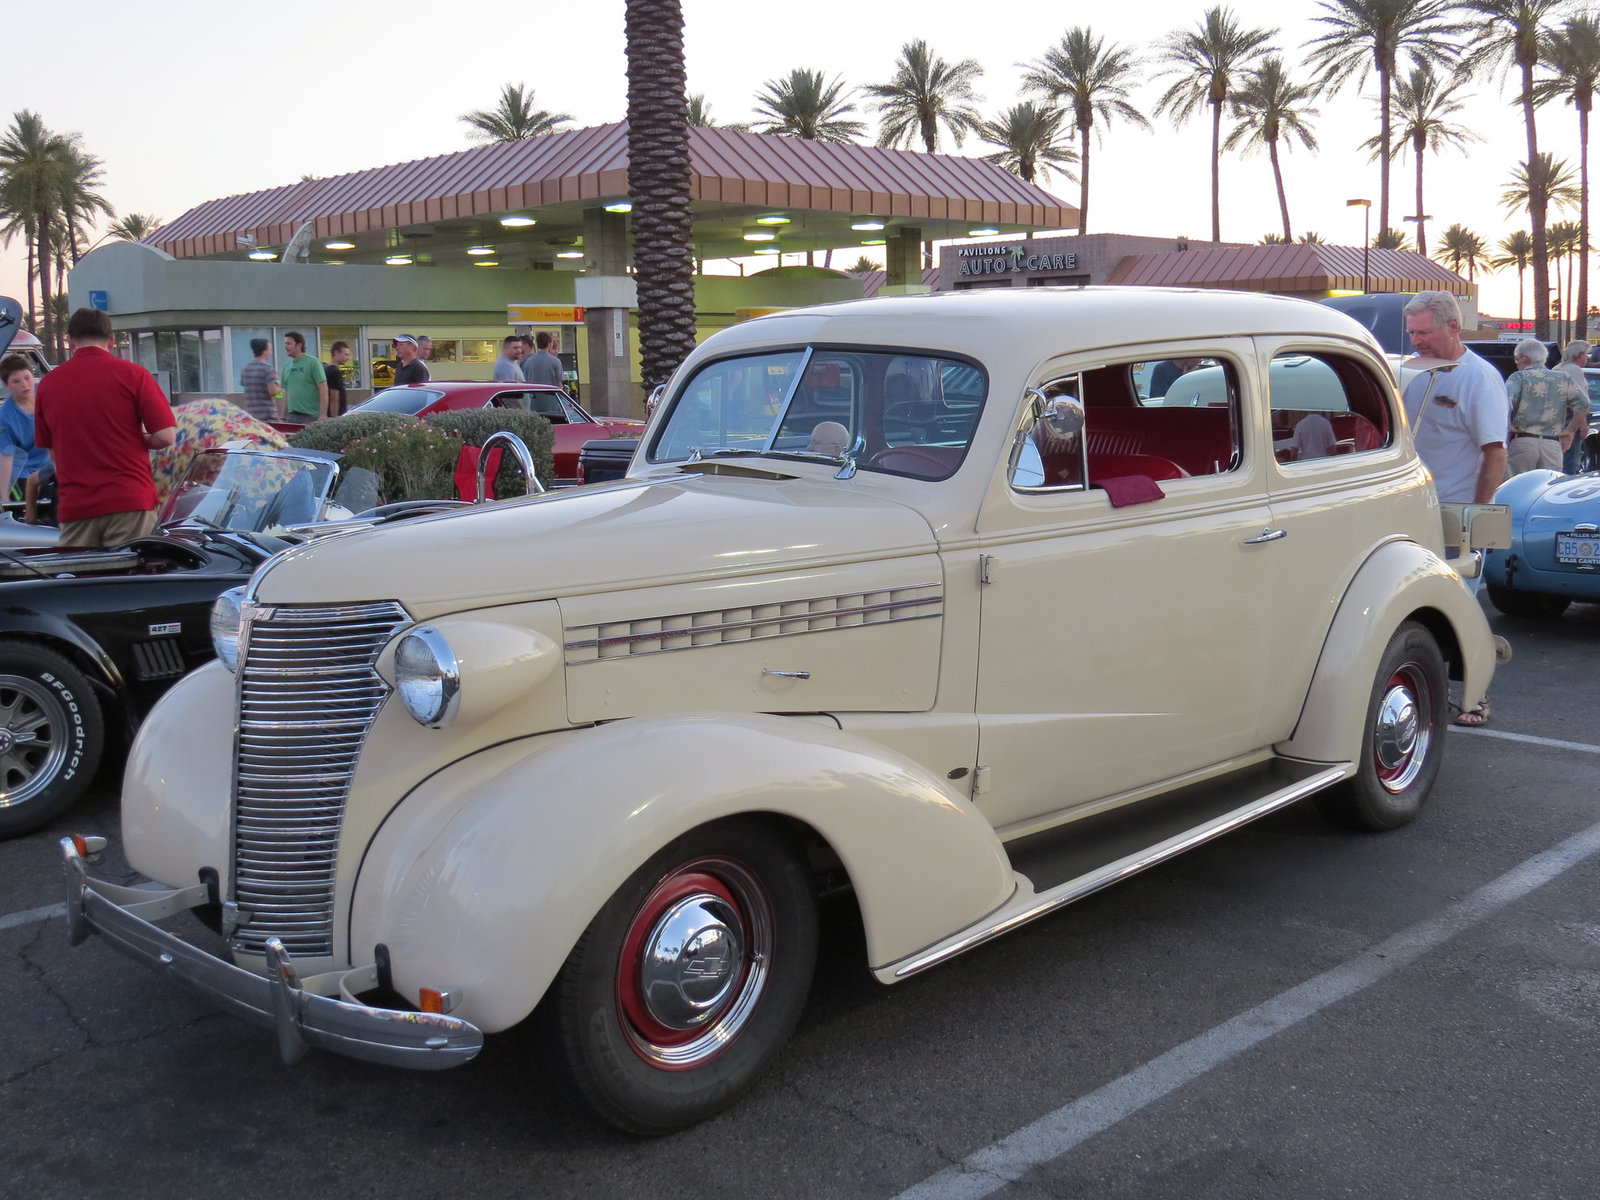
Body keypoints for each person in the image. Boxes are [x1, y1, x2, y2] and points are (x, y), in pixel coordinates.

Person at [1400, 290, 1507, 727]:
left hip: (1456, 512)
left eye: (1424, 332)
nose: (1416, 341)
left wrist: (1476, 517)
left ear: (1452, 327)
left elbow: (1495, 453)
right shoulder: (1409, 372)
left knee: (1462, 605)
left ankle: (1477, 696)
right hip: (1409, 508)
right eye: (1411, 332)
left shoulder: (1479, 378)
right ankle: (1427, 690)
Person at [34, 307, 176, 547]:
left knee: (83, 581)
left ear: (70, 341)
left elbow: (53, 454)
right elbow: (166, 436)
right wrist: (140, 438)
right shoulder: (135, 375)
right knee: (130, 578)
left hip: (77, 506)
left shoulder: (48, 385)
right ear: (111, 341)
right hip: (130, 500)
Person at [1505, 337, 1585, 477]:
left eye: (1517, 359)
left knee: (1513, 490)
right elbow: (1583, 404)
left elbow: (1503, 401)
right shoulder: (1562, 378)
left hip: (1523, 444)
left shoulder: (1518, 377)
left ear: (1524, 358)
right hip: (1553, 446)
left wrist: (1508, 425)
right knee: (1548, 492)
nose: (1516, 363)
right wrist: (1570, 431)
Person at [0, 354, 51, 500]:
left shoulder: (46, 392)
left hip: (53, 466)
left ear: (33, 375)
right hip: (24, 473)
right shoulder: (5, 417)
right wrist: (4, 498)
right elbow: (5, 456)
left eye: (27, 378)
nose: (24, 384)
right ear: (7, 385)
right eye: (16, 381)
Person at [1556, 339, 1592, 473]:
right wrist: (1582, 424)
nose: (1587, 357)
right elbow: (1578, 402)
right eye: (1585, 354)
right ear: (1578, 354)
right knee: (1572, 461)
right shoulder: (1575, 370)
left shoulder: (1557, 368)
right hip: (1571, 419)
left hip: (1557, 418)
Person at [281, 332, 328, 422]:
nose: (285, 347)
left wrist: (323, 414)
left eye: (289, 344)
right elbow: (285, 392)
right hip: (292, 416)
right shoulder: (287, 366)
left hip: (310, 416)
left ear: (299, 345)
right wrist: (282, 416)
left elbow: (323, 388)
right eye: (285, 343)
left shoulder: (313, 362)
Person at [239, 337, 279, 422]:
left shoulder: (245, 368)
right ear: (264, 352)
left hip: (251, 416)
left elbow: (244, 385)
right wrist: (279, 387)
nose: (271, 353)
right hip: (267, 416)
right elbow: (273, 392)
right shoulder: (268, 368)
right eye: (270, 350)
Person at [324, 341, 352, 416]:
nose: (348, 358)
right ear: (336, 353)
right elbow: (334, 399)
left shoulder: (326, 369)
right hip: (336, 415)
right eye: (345, 354)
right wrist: (335, 419)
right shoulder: (334, 372)